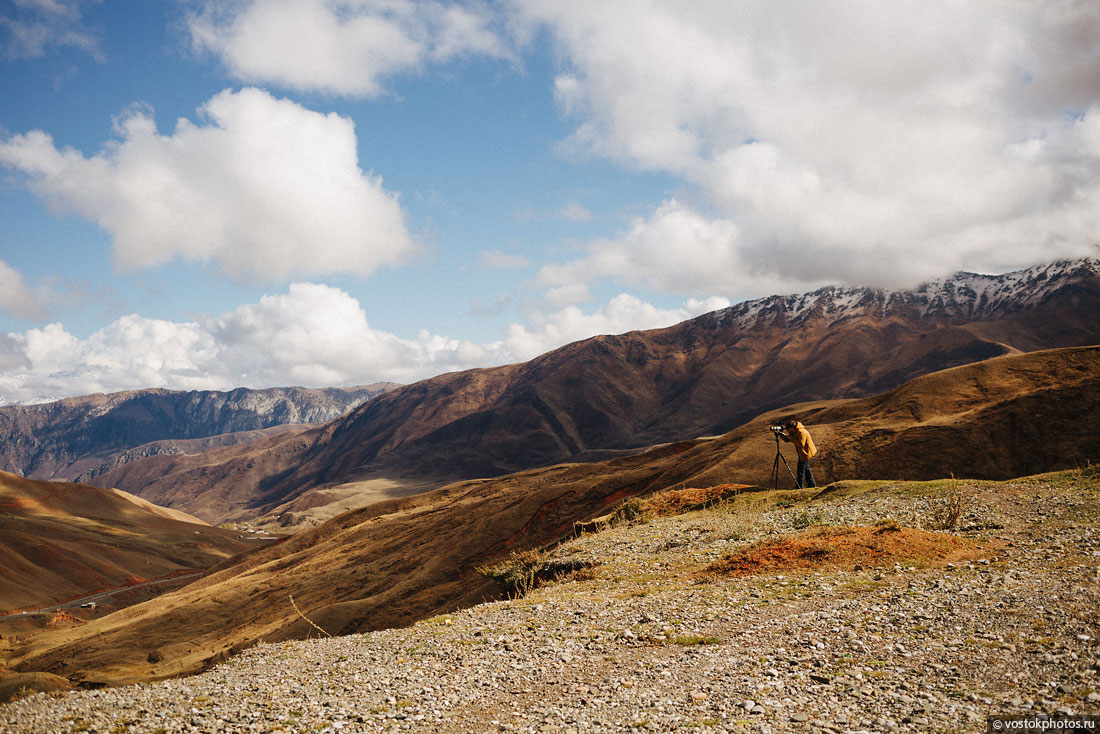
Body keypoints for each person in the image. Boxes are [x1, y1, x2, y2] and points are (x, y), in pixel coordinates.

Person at [779, 419, 817, 488]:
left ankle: (799, 486)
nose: (787, 431)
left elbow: (800, 444)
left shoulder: (801, 432)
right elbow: (788, 439)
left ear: (792, 428)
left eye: (788, 429)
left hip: (806, 453)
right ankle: (811, 485)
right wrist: (781, 435)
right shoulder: (795, 431)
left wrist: (791, 439)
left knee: (801, 470)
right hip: (803, 453)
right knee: (806, 469)